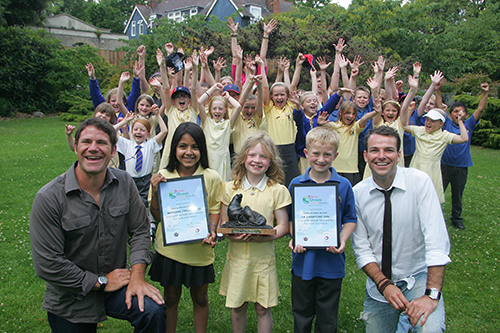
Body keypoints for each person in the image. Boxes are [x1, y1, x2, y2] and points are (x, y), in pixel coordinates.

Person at [30, 117, 165, 332]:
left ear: (113, 151)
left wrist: (137, 276)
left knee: (153, 311)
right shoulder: (49, 197)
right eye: (86, 142)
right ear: (75, 147)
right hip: (71, 296)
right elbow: (49, 263)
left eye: (102, 143)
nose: (93, 148)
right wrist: (100, 282)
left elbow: (140, 230)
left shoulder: (124, 183)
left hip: (116, 285)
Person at [351, 126, 451, 332]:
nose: (381, 156)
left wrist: (431, 296)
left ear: (398, 155)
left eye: (388, 150)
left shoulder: (420, 183)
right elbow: (362, 249)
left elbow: (437, 241)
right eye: (374, 150)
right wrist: (384, 285)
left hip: (417, 277)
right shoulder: (357, 194)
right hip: (379, 286)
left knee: (430, 329)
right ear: (365, 155)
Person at [148, 122, 222, 333]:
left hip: (199, 251)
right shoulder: (163, 176)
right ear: (174, 149)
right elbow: (157, 216)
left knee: (200, 298)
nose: (188, 152)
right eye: (182, 146)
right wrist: (155, 192)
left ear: (202, 150)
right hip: (170, 250)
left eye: (194, 147)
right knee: (171, 298)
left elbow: (215, 208)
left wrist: (213, 229)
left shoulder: (211, 177)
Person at [219, 131, 290, 333]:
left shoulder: (277, 189)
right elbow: (224, 222)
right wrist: (228, 233)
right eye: (252, 155)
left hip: (263, 259)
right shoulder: (229, 188)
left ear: (271, 162)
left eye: (263, 156)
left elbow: (283, 225)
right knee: (238, 306)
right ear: (243, 158)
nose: (257, 160)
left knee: (262, 307)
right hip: (238, 258)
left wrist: (267, 236)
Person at [288, 127, 357, 332]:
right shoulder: (296, 184)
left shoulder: (343, 185)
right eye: (316, 153)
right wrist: (295, 237)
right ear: (307, 153)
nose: (321, 159)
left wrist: (342, 240)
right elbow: (292, 219)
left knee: (327, 316)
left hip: (331, 262)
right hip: (303, 262)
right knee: (302, 313)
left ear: (335, 155)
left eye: (327, 154)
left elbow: (350, 218)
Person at [440, 83, 490, 229]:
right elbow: (438, 104)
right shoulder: (447, 123)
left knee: (458, 194)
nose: (458, 114)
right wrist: (437, 89)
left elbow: (480, 109)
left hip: (461, 166)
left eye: (461, 112)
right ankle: (436, 217)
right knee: (439, 192)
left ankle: (457, 219)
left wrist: (485, 93)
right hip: (444, 165)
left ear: (466, 114)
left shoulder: (468, 124)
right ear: (450, 114)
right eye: (455, 111)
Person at [405, 108, 469, 204]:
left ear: (441, 124)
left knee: (428, 201)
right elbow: (403, 126)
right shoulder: (420, 130)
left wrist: (460, 121)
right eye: (427, 119)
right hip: (416, 168)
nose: (429, 123)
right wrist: (409, 112)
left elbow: (464, 138)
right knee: (411, 199)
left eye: (433, 121)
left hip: (432, 172)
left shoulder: (444, 136)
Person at [114, 108, 167, 207]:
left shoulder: (151, 144)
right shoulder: (127, 144)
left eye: (142, 130)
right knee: (130, 203)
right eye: (136, 129)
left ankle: (149, 219)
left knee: (146, 203)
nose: (138, 132)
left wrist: (158, 115)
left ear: (147, 134)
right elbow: (110, 131)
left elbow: (164, 131)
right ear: (132, 131)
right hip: (130, 179)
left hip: (145, 180)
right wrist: (125, 121)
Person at [198, 82, 242, 182]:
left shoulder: (228, 124)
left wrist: (228, 96)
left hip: (222, 159)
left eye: (220, 108)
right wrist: (213, 88)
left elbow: (238, 107)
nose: (217, 111)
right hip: (208, 158)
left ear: (225, 111)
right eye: (214, 108)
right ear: (210, 110)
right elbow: (199, 102)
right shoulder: (206, 121)